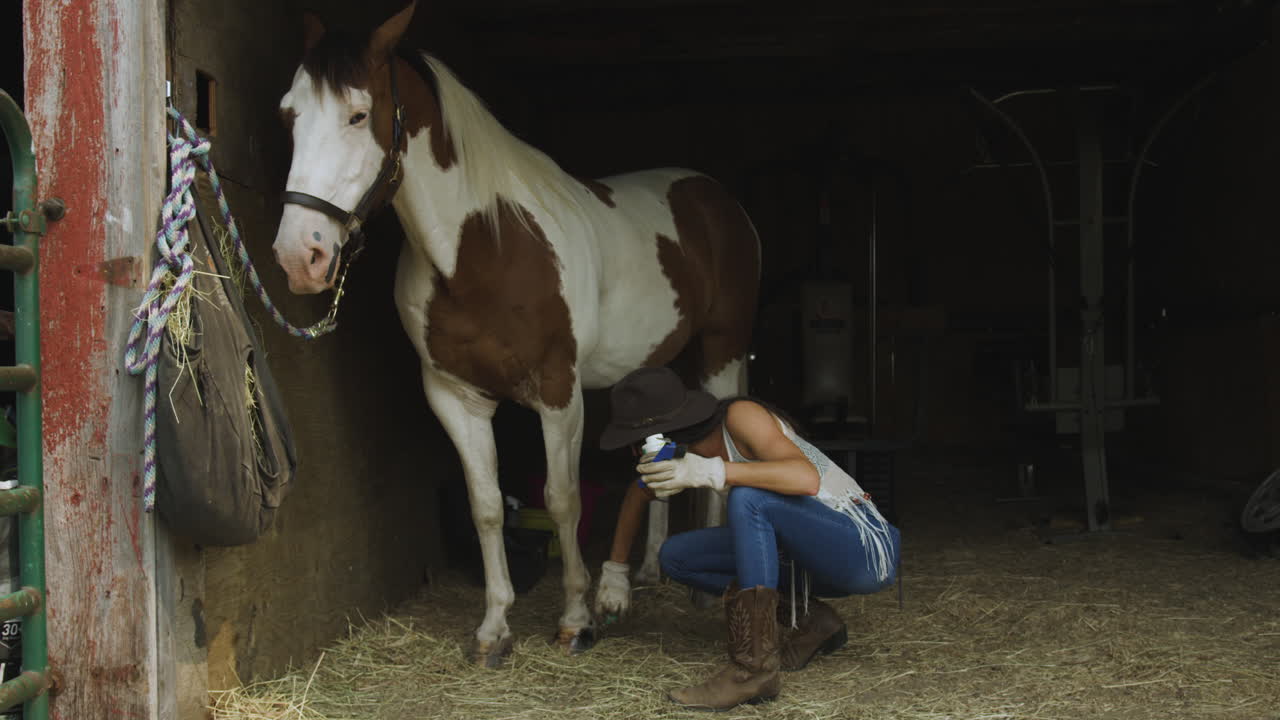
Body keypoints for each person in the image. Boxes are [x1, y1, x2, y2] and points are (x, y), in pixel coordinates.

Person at [597, 366, 901, 710]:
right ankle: (814, 622)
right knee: (677, 556)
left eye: (635, 444)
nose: (634, 455)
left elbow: (806, 478)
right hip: (806, 556)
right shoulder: (676, 452)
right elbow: (638, 493)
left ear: (661, 435)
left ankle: (753, 671)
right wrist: (615, 569)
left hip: (864, 548)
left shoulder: (740, 416)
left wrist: (712, 471)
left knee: (748, 497)